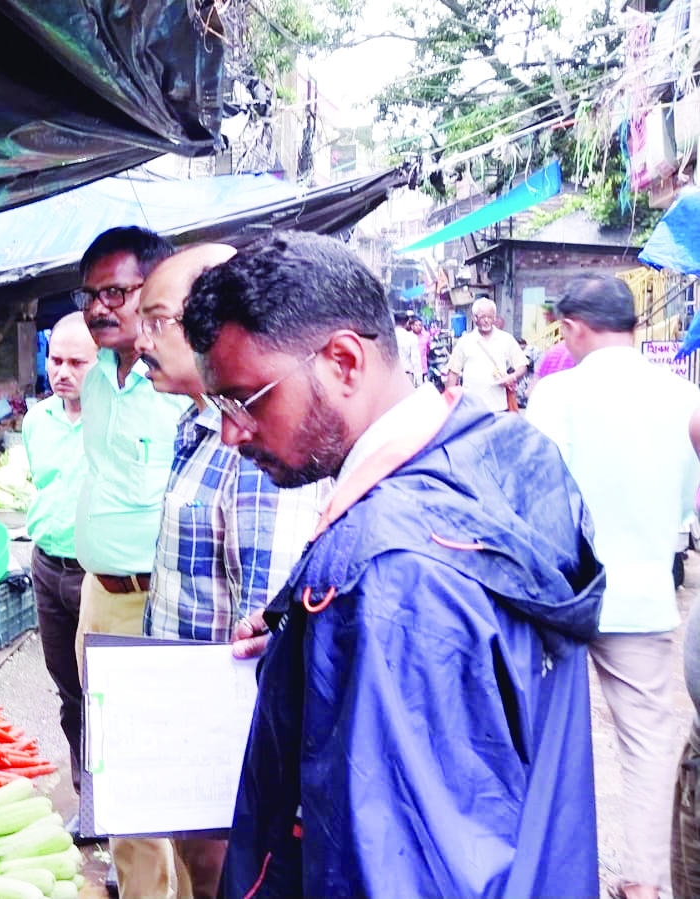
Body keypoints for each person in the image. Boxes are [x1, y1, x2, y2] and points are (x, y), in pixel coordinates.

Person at [181, 231, 603, 898]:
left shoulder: (387, 574)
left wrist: (356, 618)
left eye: (243, 399)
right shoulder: (489, 453)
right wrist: (307, 649)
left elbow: (402, 868)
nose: (231, 432)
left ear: (343, 361)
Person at [132, 243, 328, 898]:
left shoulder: (255, 446)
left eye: (157, 320)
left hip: (222, 756)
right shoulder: (198, 426)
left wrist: (237, 781)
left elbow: (263, 628)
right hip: (186, 733)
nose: (143, 339)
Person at [526, 273, 700, 899]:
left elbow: (538, 494)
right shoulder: (684, 395)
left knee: (543, 740)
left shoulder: (557, 393)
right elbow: (688, 505)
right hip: (645, 594)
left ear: (571, 327)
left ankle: (542, 875)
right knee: (649, 743)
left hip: (560, 599)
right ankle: (645, 883)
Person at [70, 225, 191, 898]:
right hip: (101, 596)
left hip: (161, 601)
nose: (98, 308)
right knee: (115, 769)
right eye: (90, 294)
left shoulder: (177, 386)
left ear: (153, 290)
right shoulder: (93, 385)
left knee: (165, 774)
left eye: (114, 290)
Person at [22, 312, 97, 796]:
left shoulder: (116, 421)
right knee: (70, 691)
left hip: (98, 575)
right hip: (48, 567)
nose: (62, 371)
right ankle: (87, 797)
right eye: (55, 359)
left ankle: (121, 821)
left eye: (77, 362)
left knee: (105, 694)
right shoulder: (37, 421)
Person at [446, 297, 528, 411]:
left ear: (494, 317)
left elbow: (522, 366)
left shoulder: (506, 339)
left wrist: (512, 377)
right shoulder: (464, 342)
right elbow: (453, 374)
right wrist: (449, 405)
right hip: (471, 408)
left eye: (490, 317)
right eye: (482, 317)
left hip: (499, 407)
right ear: (475, 318)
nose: (486, 320)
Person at [394, 311, 418, 385]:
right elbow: (415, 359)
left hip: (391, 376)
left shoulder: (387, 336)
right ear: (407, 322)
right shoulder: (412, 337)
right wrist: (419, 380)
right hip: (406, 375)